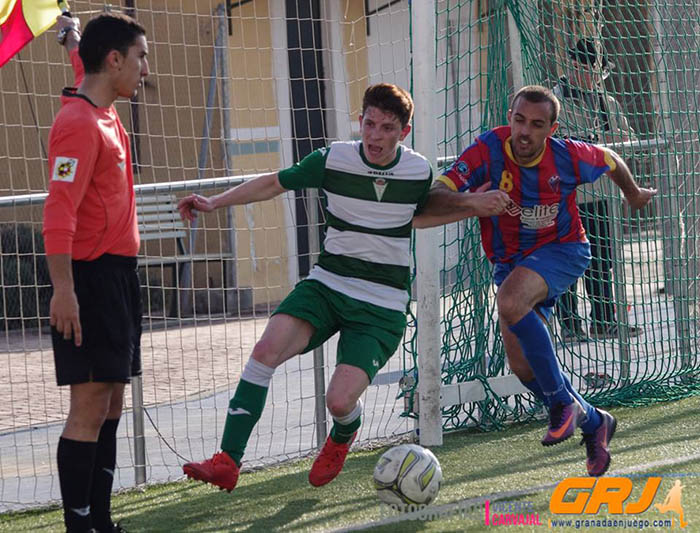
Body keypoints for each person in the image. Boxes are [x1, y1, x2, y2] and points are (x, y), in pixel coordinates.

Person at [178, 83, 509, 492]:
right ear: (360, 121)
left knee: (338, 400)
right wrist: (215, 202)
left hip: (381, 303)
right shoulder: (334, 158)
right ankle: (228, 460)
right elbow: (274, 183)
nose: (374, 135)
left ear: (403, 133)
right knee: (264, 352)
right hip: (327, 285)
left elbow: (420, 216)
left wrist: (474, 205)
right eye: (369, 124)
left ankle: (343, 431)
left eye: (386, 127)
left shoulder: (418, 171)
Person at [420, 85, 656, 477]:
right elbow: (434, 196)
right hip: (510, 262)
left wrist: (632, 194)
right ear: (509, 117)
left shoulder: (568, 155)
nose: (525, 132)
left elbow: (611, 159)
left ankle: (562, 403)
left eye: (536, 124)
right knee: (523, 367)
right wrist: (473, 202)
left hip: (564, 250)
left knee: (510, 302)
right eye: (519, 120)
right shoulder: (487, 151)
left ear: (552, 128)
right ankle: (594, 421)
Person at [42, 12, 149, 533]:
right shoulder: (78, 124)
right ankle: (79, 525)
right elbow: (58, 211)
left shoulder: (103, 109)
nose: (144, 69)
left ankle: (101, 521)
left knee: (112, 400)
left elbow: (87, 74)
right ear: (114, 60)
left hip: (120, 278)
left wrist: (72, 40)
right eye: (140, 57)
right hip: (89, 280)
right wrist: (64, 290)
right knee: (89, 405)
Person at [553, 38, 642, 342]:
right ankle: (570, 326)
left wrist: (604, 144)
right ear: (575, 68)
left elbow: (628, 143)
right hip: (567, 198)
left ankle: (603, 320)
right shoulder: (555, 102)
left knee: (602, 261)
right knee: (566, 262)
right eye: (590, 70)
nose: (595, 78)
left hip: (602, 196)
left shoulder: (607, 102)